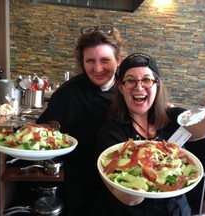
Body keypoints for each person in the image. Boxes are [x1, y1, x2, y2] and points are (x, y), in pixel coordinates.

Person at [94, 53, 205, 216]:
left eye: (147, 80)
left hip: (177, 210)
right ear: (121, 87)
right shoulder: (111, 132)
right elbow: (129, 199)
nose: (139, 86)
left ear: (157, 85)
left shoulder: (174, 118)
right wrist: (142, 167)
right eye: (130, 80)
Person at [36, 25, 127, 215]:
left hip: (123, 183)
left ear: (118, 60)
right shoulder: (69, 92)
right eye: (90, 61)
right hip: (81, 183)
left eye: (105, 60)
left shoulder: (130, 88)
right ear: (82, 62)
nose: (97, 68)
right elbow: (45, 130)